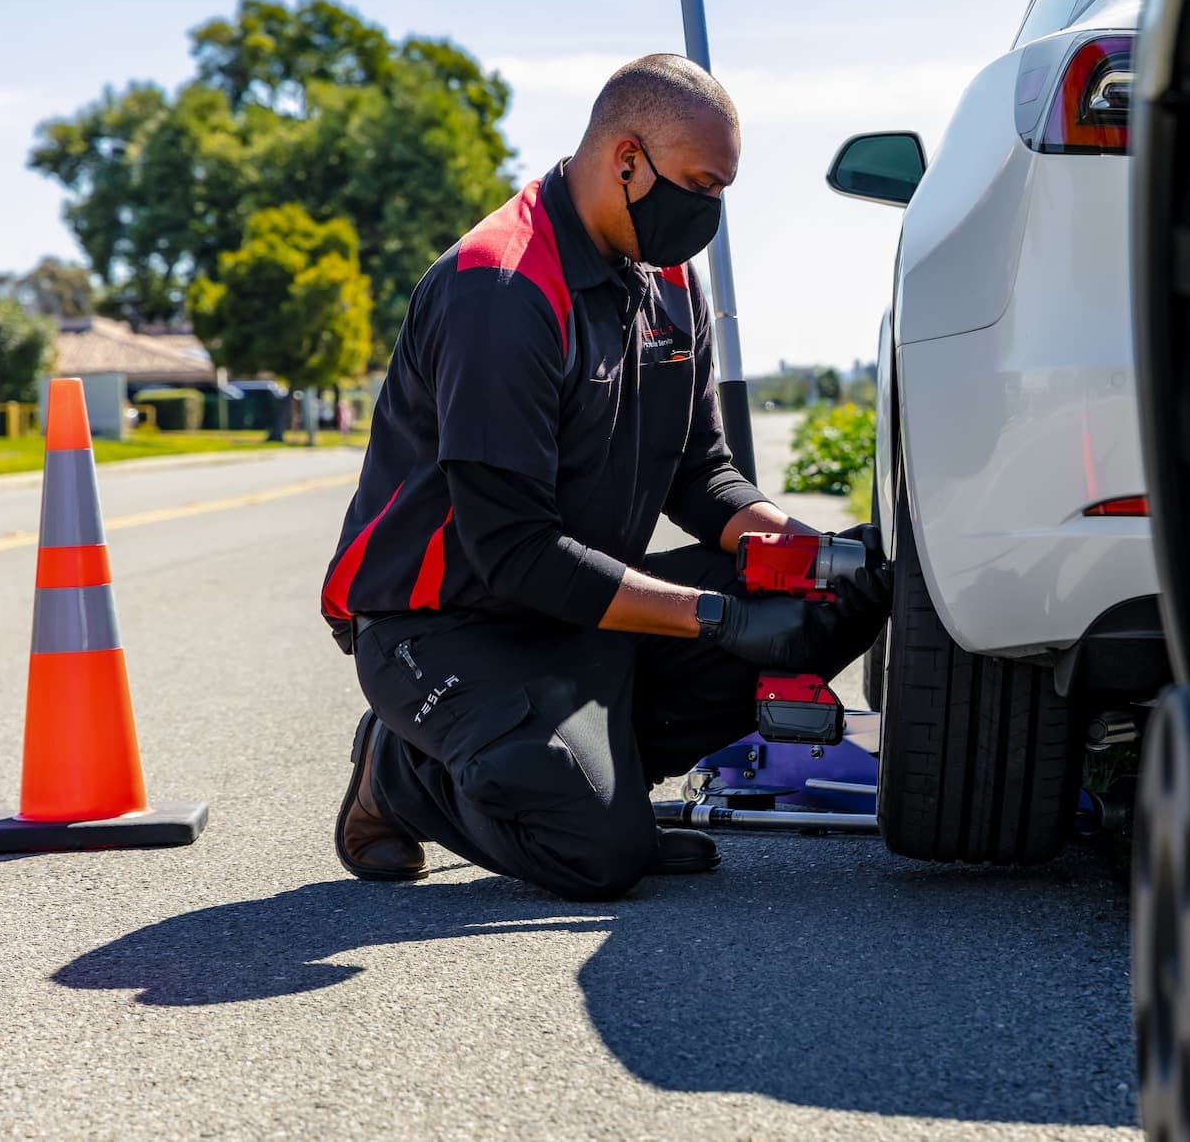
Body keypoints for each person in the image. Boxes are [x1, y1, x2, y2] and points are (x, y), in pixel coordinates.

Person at [319, 54, 890, 900]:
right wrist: (721, 617)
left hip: (580, 607)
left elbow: (702, 473)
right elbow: (514, 552)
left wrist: (807, 552)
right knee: (597, 853)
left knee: (845, 591)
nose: (710, 213)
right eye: (701, 187)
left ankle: (592, 777)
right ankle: (402, 772)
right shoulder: (502, 289)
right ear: (627, 159)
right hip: (446, 627)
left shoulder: (668, 280)